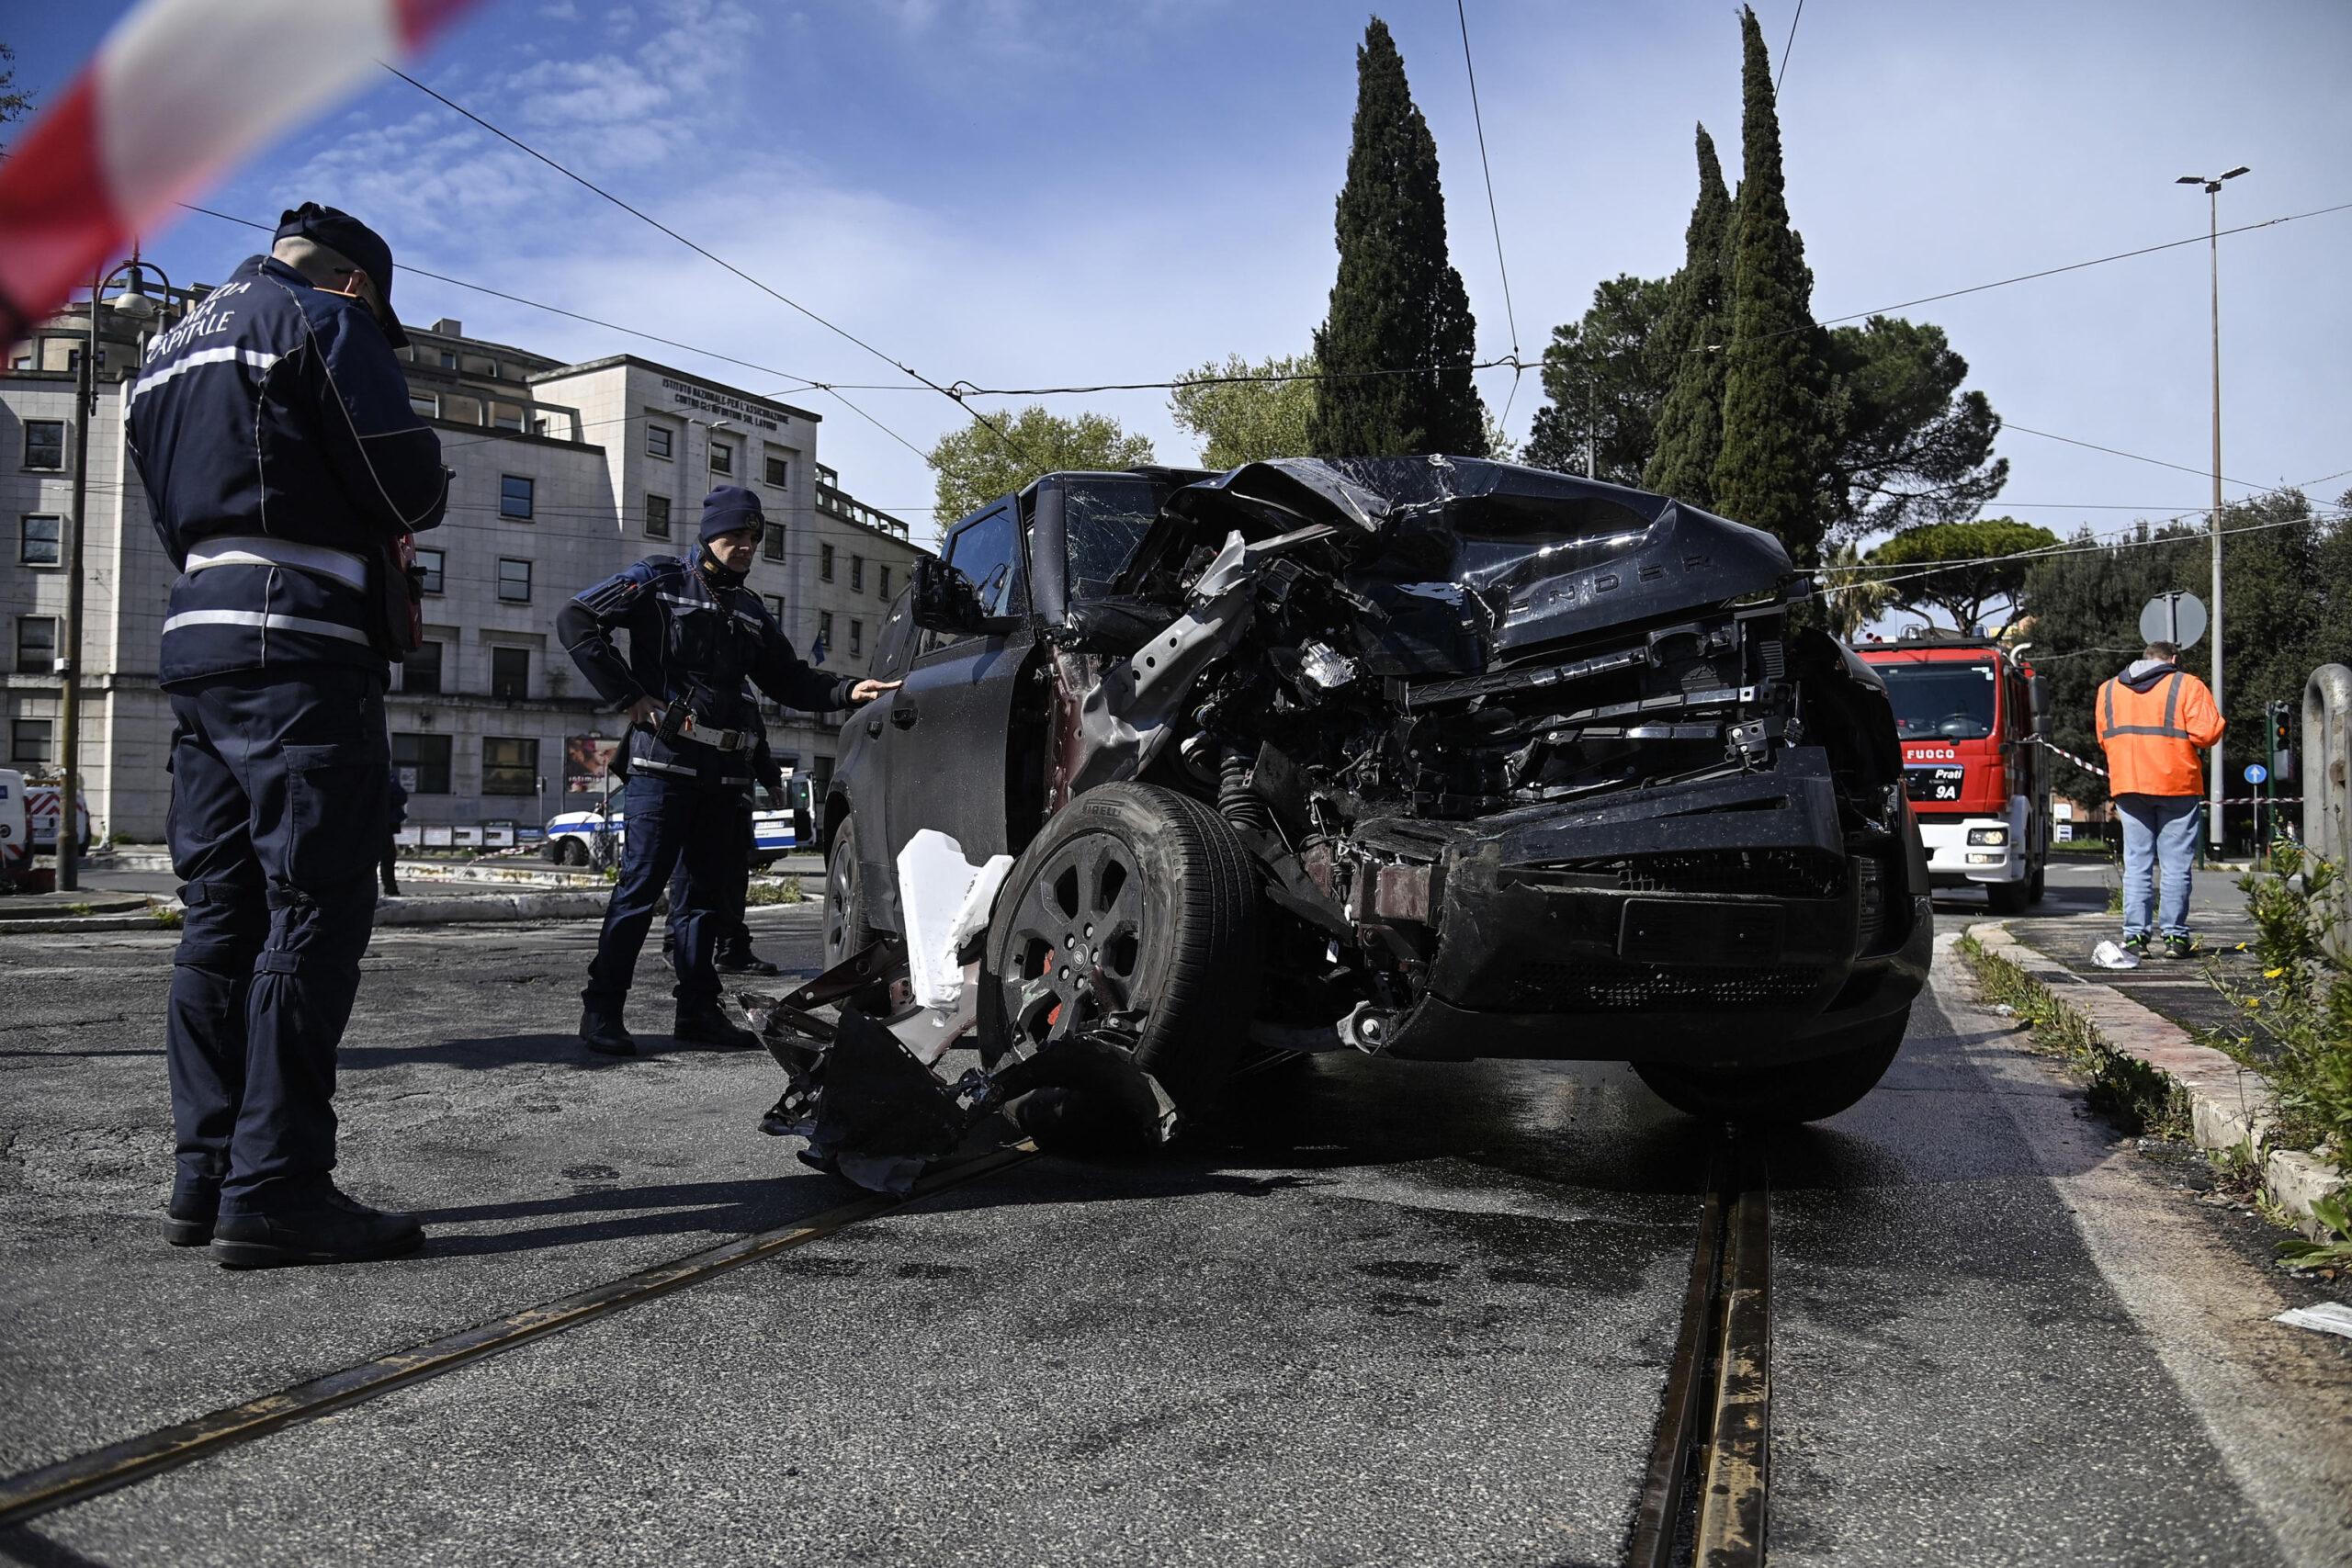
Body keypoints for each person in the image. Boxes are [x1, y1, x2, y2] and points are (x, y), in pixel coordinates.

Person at [124, 203, 447, 1266]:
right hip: (299, 643)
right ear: (357, 282)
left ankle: (203, 1173)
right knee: (315, 906)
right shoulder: (318, 318)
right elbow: (405, 479)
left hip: (198, 637)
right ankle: (278, 1187)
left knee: (218, 912)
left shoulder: (160, 348)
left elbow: (174, 517)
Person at [559, 487, 897, 1055]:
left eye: (752, 537)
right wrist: (629, 696)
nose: (743, 546)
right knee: (639, 893)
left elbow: (789, 679)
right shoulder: (660, 580)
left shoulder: (750, 610)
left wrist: (846, 690)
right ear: (707, 535)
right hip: (661, 768)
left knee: (703, 902)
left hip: (723, 776)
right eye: (733, 535)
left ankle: (696, 1014)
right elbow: (577, 618)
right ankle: (602, 1011)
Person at [2095, 640, 2224, 960]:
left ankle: (2135, 937)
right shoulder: (2187, 685)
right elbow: (2207, 734)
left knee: (2137, 863)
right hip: (2176, 782)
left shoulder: (2108, 689)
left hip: (2128, 783)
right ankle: (2175, 939)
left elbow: (2103, 737)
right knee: (2176, 865)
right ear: (2173, 659)